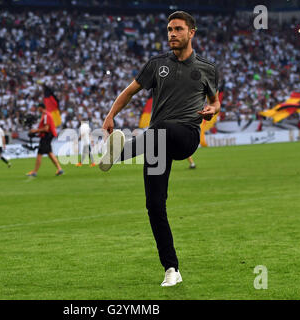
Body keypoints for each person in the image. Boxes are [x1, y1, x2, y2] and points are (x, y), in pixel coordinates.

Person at [99, 11, 220, 286]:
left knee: (161, 127)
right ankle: (172, 269)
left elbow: (215, 101)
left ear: (192, 32)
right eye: (169, 29)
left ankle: (120, 153)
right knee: (154, 206)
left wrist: (212, 110)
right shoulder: (156, 65)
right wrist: (109, 115)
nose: (172, 34)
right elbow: (130, 91)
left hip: (186, 135)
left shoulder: (207, 68)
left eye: (178, 29)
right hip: (156, 142)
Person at [26, 103, 64, 177]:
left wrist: (35, 131)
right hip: (48, 136)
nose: (38, 109)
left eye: (38, 108)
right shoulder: (46, 115)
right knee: (49, 153)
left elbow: (46, 129)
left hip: (47, 136)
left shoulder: (46, 115)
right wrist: (37, 132)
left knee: (39, 153)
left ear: (41, 108)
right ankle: (59, 169)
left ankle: (34, 172)